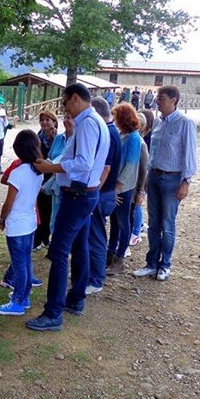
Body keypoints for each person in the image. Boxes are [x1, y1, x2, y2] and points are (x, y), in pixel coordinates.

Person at [25, 84, 110, 332]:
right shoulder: (94, 121)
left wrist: (51, 168)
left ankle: (53, 313)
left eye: (65, 103)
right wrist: (52, 164)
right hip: (83, 194)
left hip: (77, 195)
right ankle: (76, 299)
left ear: (75, 98)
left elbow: (83, 163)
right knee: (80, 247)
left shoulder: (88, 123)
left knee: (59, 252)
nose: (65, 109)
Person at [132, 86, 197, 282]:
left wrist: (186, 181)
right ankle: (151, 263)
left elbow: (190, 153)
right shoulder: (158, 122)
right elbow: (153, 152)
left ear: (173, 100)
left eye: (161, 98)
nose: (157, 101)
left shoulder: (185, 123)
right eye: (158, 98)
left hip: (172, 179)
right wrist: (147, 178)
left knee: (167, 224)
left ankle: (165, 265)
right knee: (153, 224)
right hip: (155, 176)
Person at [0, 130, 45, 315]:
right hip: (30, 222)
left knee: (19, 264)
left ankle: (18, 301)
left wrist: (1, 219)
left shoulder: (17, 173)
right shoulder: (38, 171)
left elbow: (9, 203)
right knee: (26, 261)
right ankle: (24, 296)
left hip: (17, 224)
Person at [85, 97, 122, 295]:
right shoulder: (111, 131)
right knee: (96, 235)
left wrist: (93, 192)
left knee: (96, 238)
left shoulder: (107, 133)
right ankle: (92, 274)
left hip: (101, 193)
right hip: (105, 192)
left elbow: (106, 169)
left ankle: (96, 280)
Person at [107, 103, 144, 274]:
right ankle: (111, 252)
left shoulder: (134, 138)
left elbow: (131, 165)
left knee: (123, 222)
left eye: (117, 117)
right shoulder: (124, 135)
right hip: (117, 186)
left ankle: (120, 257)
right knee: (115, 222)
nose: (115, 121)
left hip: (123, 188)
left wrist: (117, 186)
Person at [34, 110, 58, 250]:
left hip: (53, 177)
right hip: (39, 175)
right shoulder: (37, 138)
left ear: (54, 122)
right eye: (42, 120)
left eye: (47, 120)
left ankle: (46, 237)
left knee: (50, 209)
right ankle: (37, 239)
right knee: (39, 207)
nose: (44, 122)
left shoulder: (60, 139)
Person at [128, 111, 153, 248]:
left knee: (136, 206)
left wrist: (141, 190)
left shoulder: (140, 143)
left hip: (136, 183)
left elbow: (144, 169)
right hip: (131, 182)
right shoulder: (130, 138)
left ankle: (135, 232)